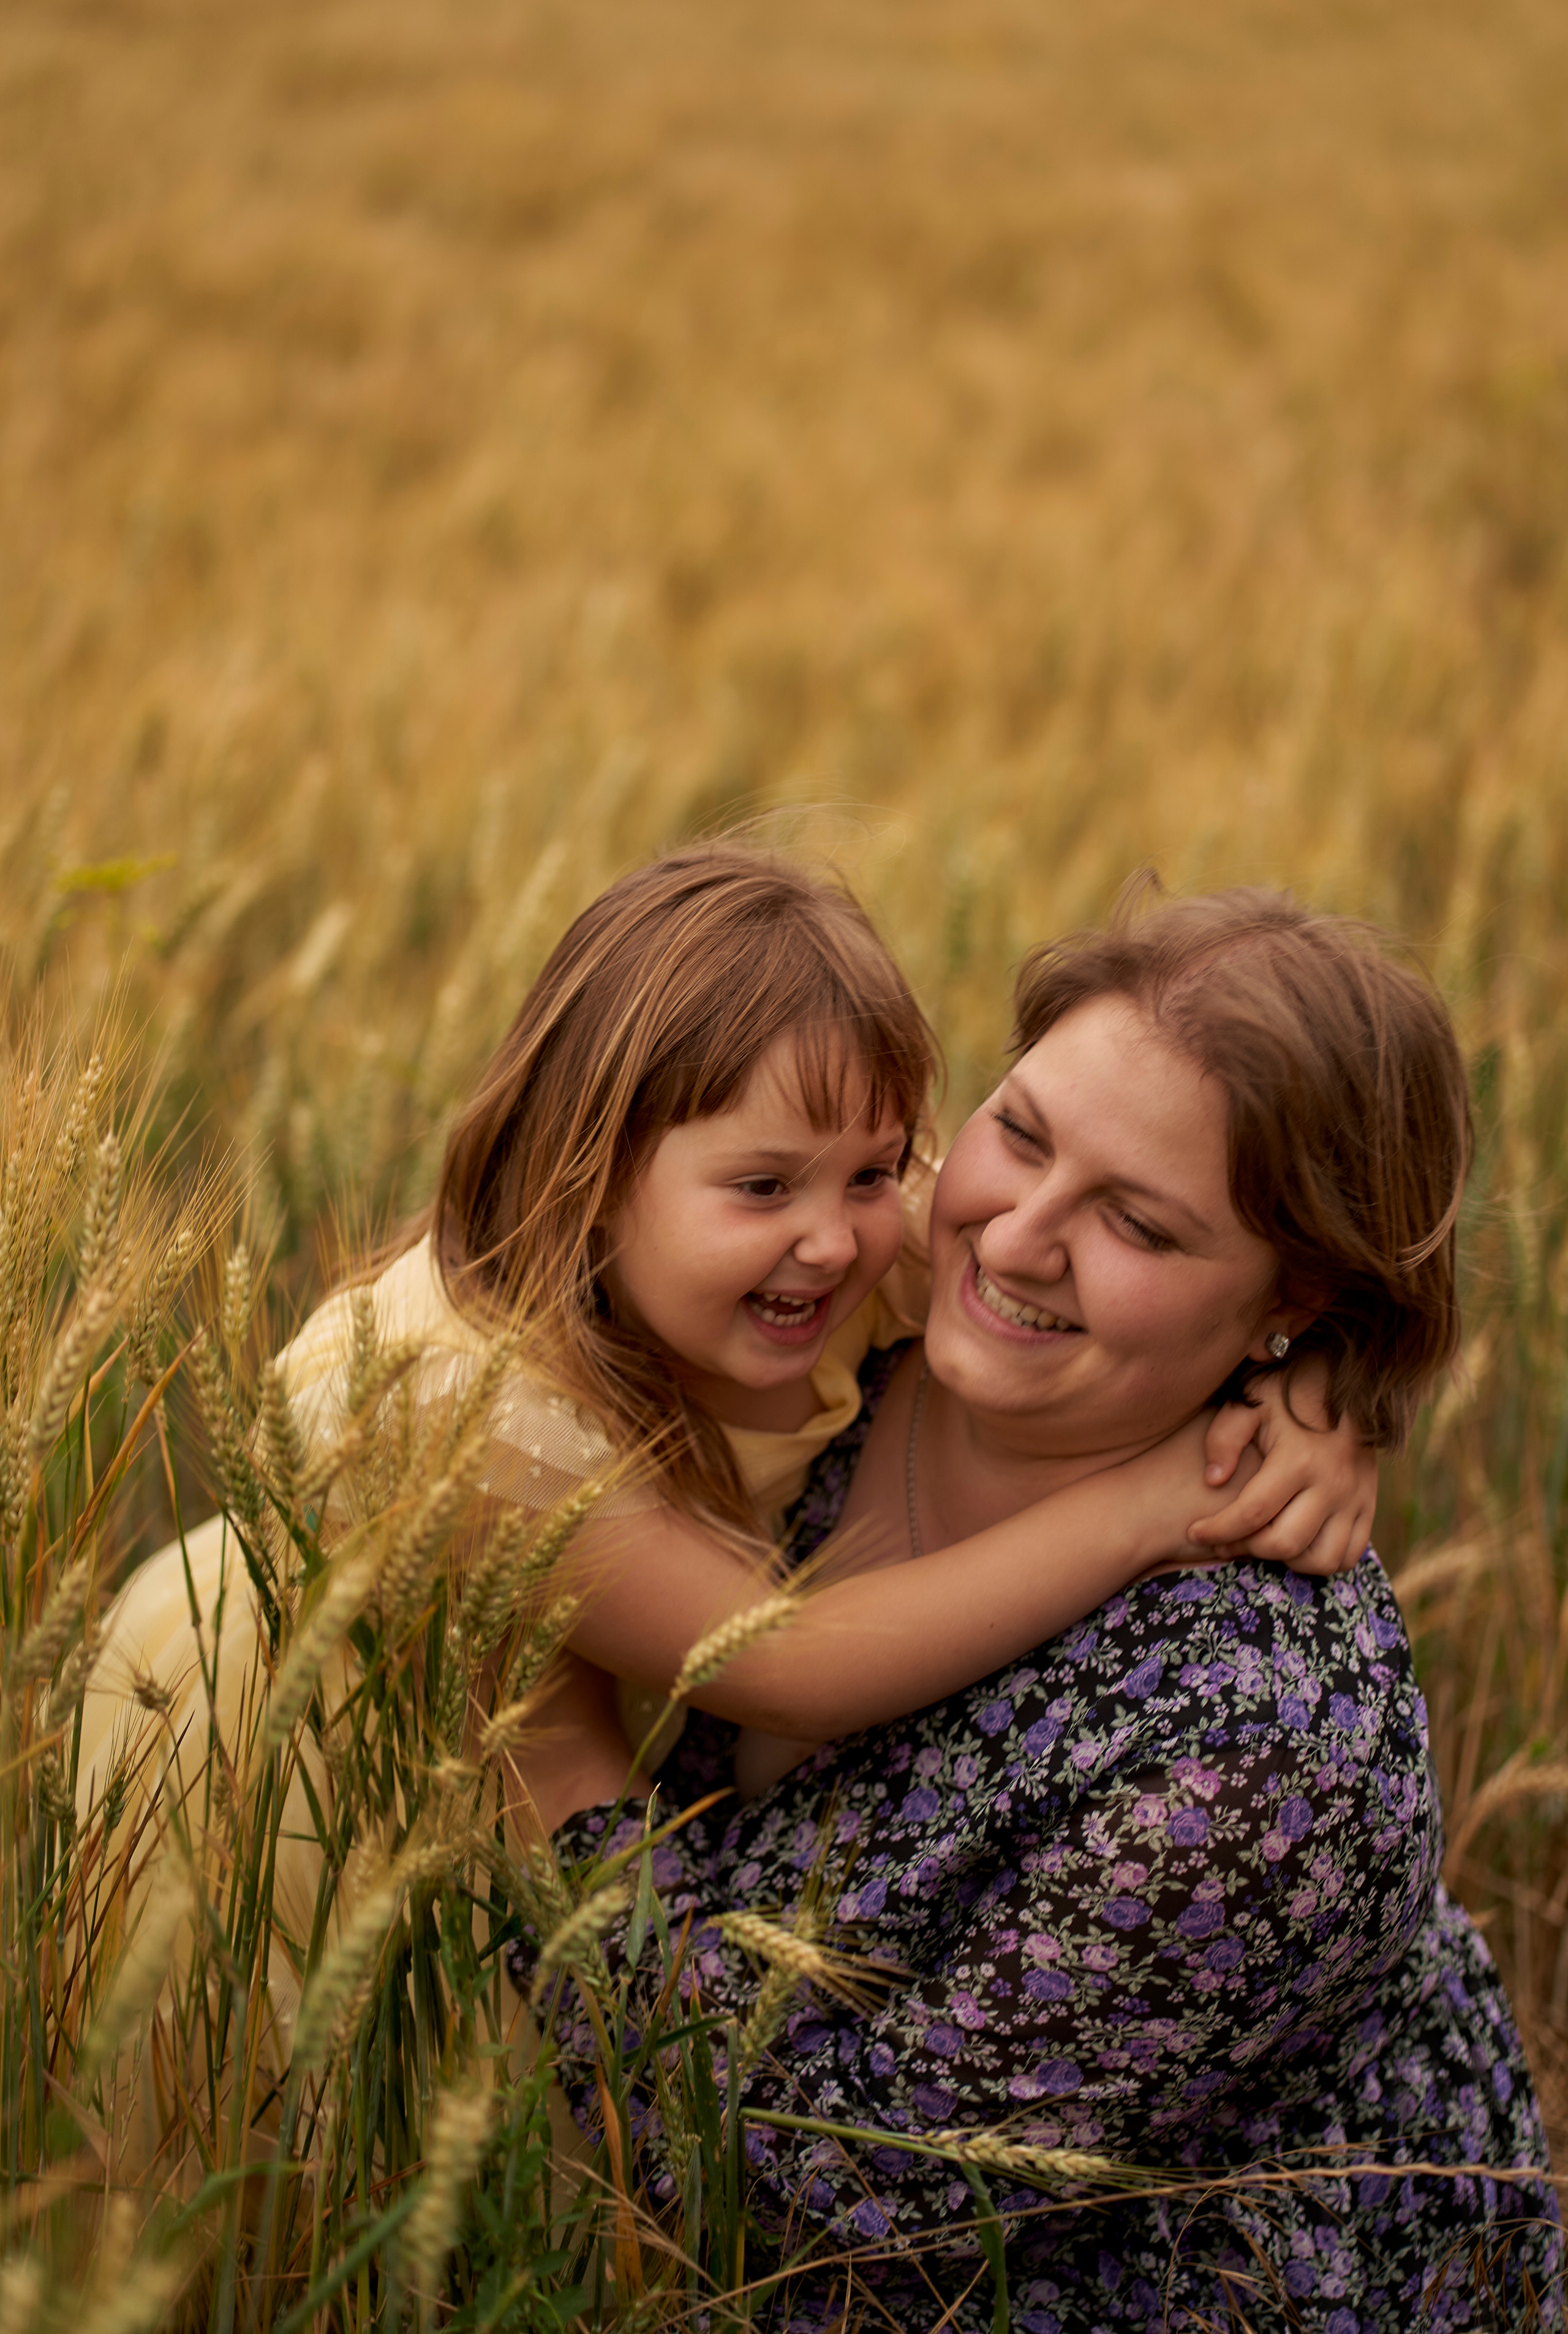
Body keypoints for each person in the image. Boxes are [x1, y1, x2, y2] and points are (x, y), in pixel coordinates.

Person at [78, 848, 1370, 2176]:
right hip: (295, 1772)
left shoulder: (848, 1233)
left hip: (510, 1815)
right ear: (589, 1169)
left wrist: (1319, 1387)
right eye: (763, 1190)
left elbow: (1205, 1267)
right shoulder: (463, 1406)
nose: (840, 1237)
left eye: (873, 1173)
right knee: (275, 2152)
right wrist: (1144, 1509)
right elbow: (782, 1665)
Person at [540, 886, 1563, 2334]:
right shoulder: (842, 1346)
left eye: (1135, 1223)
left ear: (1294, 1301)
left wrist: (561, 1779)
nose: (1011, 1237)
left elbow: (852, 2210)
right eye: (1015, 1134)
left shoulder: (1265, 1746)